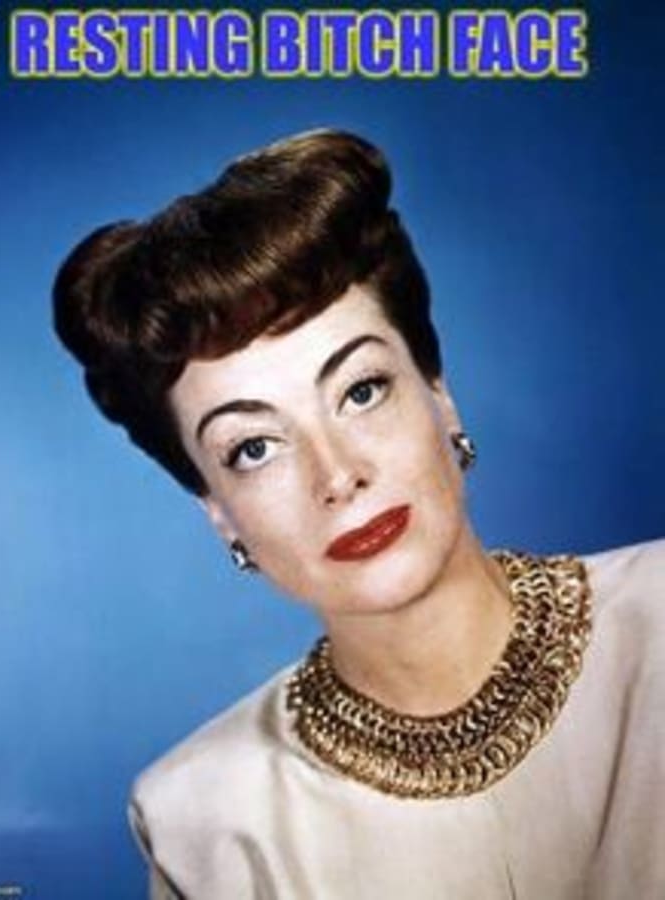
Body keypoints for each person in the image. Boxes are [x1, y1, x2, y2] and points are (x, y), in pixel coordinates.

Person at [52, 130, 664, 899]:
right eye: (254, 448)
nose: (338, 476)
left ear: (439, 395)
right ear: (218, 511)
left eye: (362, 391)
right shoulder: (203, 822)